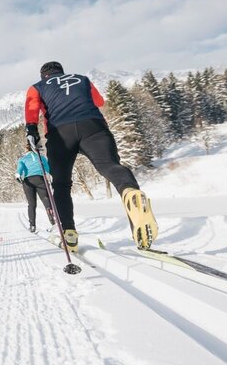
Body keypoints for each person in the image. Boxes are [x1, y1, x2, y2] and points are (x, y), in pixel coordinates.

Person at [24, 61, 158, 251]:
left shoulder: (37, 87)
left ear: (43, 75)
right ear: (61, 72)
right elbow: (99, 101)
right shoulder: (82, 79)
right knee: (110, 166)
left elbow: (32, 109)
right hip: (93, 127)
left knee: (61, 184)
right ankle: (130, 193)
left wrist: (32, 131)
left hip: (60, 133)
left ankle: (69, 233)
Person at [16, 142, 55, 233]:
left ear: (26, 150)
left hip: (28, 182)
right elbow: (48, 169)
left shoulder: (23, 159)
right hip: (40, 180)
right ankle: (54, 223)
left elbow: (19, 169)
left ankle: (32, 226)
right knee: (46, 201)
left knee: (32, 204)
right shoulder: (41, 157)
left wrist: (18, 176)